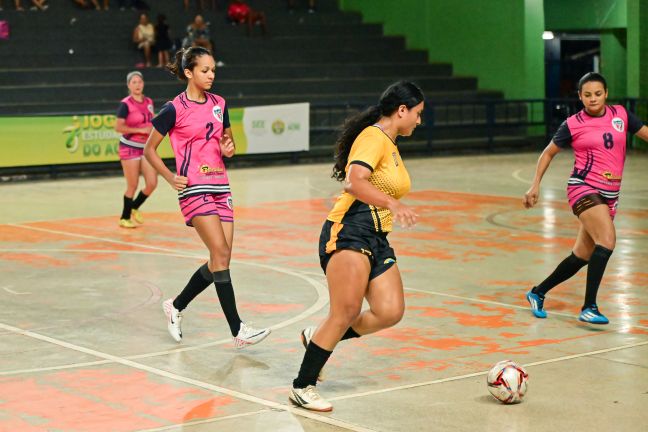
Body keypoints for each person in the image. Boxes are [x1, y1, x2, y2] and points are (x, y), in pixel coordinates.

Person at [289, 81, 424, 411]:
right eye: (418, 114)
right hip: (349, 230)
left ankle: (317, 337)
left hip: (377, 237)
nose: (419, 121)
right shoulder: (372, 138)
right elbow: (354, 181)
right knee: (345, 311)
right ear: (401, 110)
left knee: (390, 311)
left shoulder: (390, 144)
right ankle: (302, 385)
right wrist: (393, 204)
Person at [144, 46, 271, 349]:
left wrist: (229, 149)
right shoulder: (174, 108)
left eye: (213, 70)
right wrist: (169, 176)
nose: (211, 75)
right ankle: (238, 329)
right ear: (189, 73)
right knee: (220, 253)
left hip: (221, 185)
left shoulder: (220, 103)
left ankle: (176, 306)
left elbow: (229, 143)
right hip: (193, 188)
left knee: (221, 257)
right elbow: (149, 149)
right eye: (205, 70)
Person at [524, 72, 648, 324]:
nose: (593, 99)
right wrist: (535, 184)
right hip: (583, 187)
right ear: (580, 97)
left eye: (598, 94)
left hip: (611, 194)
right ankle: (589, 306)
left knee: (581, 256)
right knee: (607, 240)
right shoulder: (572, 124)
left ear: (607, 93)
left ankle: (537, 292)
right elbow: (548, 153)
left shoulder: (621, 116)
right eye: (587, 95)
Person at [114, 71, 158, 229]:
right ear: (128, 85)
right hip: (130, 147)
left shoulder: (149, 101)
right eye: (134, 82)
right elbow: (118, 127)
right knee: (132, 185)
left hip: (146, 148)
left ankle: (134, 206)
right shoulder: (126, 104)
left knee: (152, 183)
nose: (137, 85)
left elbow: (151, 123)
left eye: (139, 81)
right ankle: (124, 217)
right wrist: (141, 131)